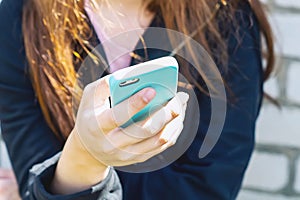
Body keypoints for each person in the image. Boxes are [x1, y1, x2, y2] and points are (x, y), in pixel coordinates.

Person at [0, 0, 275, 199]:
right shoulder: (19, 21)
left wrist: (53, 184)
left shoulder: (226, 16)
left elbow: (209, 187)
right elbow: (34, 173)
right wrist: (84, 156)